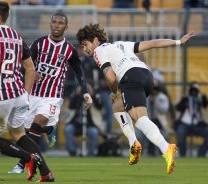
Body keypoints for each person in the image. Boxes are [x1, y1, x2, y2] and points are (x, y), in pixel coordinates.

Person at [76, 23, 195, 174]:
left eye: (85, 44)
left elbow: (111, 77)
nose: (85, 49)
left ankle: (166, 148)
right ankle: (134, 143)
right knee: (117, 108)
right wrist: (178, 41)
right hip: (146, 76)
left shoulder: (98, 51)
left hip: (130, 78)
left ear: (95, 40)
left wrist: (114, 93)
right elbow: (152, 43)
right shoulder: (121, 45)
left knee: (140, 120)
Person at [0, 0, 53, 182]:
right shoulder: (16, 36)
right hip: (19, 95)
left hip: (0, 96)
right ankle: (46, 173)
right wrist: (27, 96)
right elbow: (30, 68)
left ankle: (27, 157)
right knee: (19, 134)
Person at [8, 11, 93, 174]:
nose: (56, 25)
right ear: (50, 24)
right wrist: (33, 73)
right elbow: (25, 65)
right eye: (54, 22)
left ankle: (22, 163)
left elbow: (79, 71)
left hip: (53, 96)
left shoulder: (69, 50)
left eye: (60, 23)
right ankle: (48, 130)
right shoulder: (39, 44)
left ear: (66, 27)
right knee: (25, 133)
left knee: (36, 125)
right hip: (33, 94)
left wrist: (85, 93)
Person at [175, 81, 208, 157]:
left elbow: (206, 104)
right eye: (193, 89)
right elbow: (178, 107)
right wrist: (186, 97)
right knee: (180, 134)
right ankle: (183, 155)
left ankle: (200, 155)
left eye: (196, 89)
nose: (194, 91)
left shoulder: (201, 98)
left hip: (198, 124)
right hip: (185, 123)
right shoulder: (185, 98)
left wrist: (200, 95)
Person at [64, 82, 102, 156]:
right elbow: (71, 106)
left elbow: (99, 106)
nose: (85, 90)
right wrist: (77, 94)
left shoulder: (94, 97)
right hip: (76, 124)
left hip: (90, 125)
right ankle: (73, 152)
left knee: (94, 132)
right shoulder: (76, 97)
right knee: (68, 129)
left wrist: (92, 95)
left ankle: (91, 154)